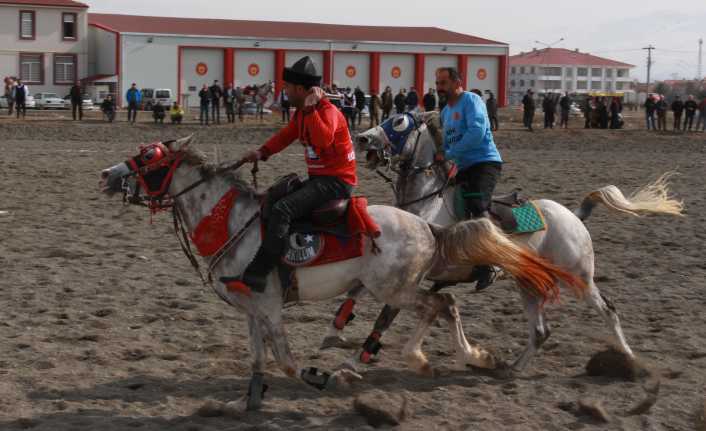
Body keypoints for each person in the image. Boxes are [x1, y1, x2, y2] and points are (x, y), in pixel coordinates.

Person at [220, 56, 356, 293]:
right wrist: (261, 153)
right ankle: (285, 265)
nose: (285, 91)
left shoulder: (327, 112)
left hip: (336, 182)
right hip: (320, 180)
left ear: (302, 89)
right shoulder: (301, 113)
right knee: (272, 200)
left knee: (284, 209)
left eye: (288, 87)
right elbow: (285, 136)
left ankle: (257, 276)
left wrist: (313, 108)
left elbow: (323, 139)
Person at [435, 67, 502, 291]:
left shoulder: (471, 100)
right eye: (437, 83)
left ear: (456, 82)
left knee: (476, 204)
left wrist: (450, 155)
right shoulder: (445, 112)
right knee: (447, 205)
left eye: (443, 82)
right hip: (462, 166)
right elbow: (447, 144)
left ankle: (492, 263)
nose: (439, 87)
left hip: (484, 162)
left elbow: (477, 131)